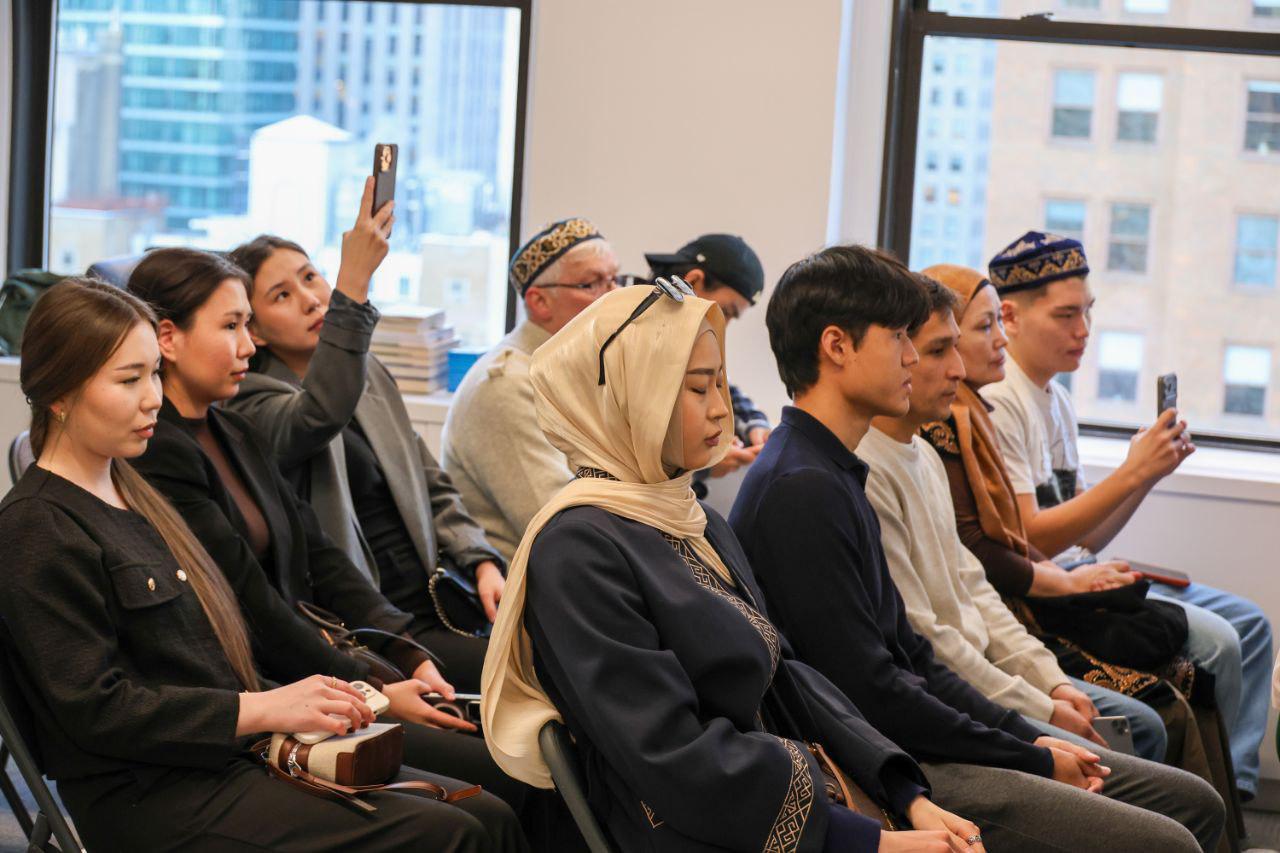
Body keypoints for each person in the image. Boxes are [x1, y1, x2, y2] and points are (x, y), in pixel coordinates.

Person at [0, 278, 525, 852]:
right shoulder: (36, 527)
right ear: (59, 393)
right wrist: (262, 707)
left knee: (487, 814)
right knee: (454, 835)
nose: (152, 397)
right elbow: (98, 711)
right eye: (129, 380)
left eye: (153, 373)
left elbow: (206, 655)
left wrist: (321, 697)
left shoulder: (133, 489)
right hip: (151, 797)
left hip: (226, 759)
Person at [731, 244, 1224, 852]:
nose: (914, 358)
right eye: (900, 339)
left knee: (1193, 800)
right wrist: (1029, 752)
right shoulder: (802, 488)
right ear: (836, 346)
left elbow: (913, 651)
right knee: (1169, 838)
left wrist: (1028, 734)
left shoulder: (833, 468)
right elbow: (872, 693)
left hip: (914, 735)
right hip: (893, 768)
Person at [481, 281, 989, 853]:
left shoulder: (691, 518)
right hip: (686, 831)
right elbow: (672, 757)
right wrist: (867, 841)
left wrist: (904, 794)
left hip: (771, 805)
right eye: (699, 388)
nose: (722, 407)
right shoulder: (577, 549)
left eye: (720, 382)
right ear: (630, 398)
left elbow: (785, 678)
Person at [124, 247, 533, 815]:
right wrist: (375, 686)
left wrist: (403, 652)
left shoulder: (232, 428)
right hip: (273, 691)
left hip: (318, 666)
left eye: (246, 325)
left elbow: (321, 554)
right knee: (502, 788)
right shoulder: (162, 453)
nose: (248, 346)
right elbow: (255, 605)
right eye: (231, 326)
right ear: (168, 338)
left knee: (523, 757)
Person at [983, 230, 1274, 799]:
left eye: (1088, 312)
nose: (1084, 330)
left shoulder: (1057, 399)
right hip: (1054, 589)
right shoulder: (1001, 401)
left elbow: (1089, 535)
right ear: (1010, 317)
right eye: (1066, 315)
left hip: (1085, 569)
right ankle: (1213, 803)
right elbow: (1031, 539)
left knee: (1254, 625)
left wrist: (1147, 475)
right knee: (1220, 641)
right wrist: (1132, 472)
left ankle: (1236, 793)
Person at [856, 274, 1170, 763]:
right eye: (940, 349)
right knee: (1153, 716)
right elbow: (931, 635)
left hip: (997, 650)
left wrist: (1050, 682)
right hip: (964, 681)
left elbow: (974, 585)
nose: (959, 367)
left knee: (1170, 670)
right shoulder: (880, 464)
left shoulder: (931, 448)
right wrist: (1042, 697)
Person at [224, 181, 505, 693]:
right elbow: (317, 413)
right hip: (374, 625)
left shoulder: (368, 371)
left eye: (311, 277)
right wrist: (354, 280)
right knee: (541, 675)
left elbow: (430, 482)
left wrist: (481, 560)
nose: (311, 300)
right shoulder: (251, 404)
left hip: (443, 594)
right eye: (282, 296)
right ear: (254, 330)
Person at [442, 217, 619, 563]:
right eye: (592, 284)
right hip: (522, 583)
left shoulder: (576, 367)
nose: (614, 296)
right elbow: (560, 526)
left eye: (615, 279)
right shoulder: (506, 386)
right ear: (539, 302)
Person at [645, 234, 772, 494]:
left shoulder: (677, 332)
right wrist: (701, 464)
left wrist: (756, 426)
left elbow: (725, 389)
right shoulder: (635, 335)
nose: (722, 325)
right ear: (692, 282)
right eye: (725, 311)